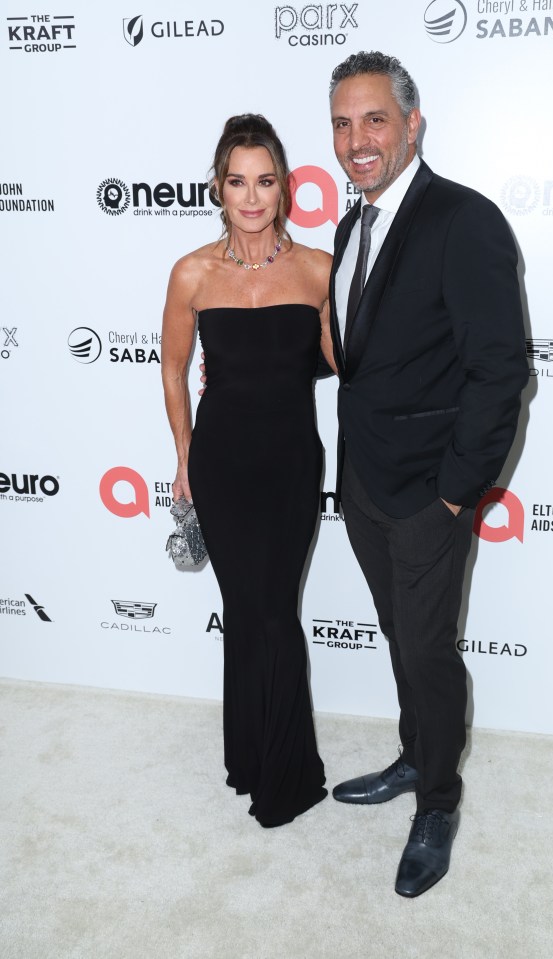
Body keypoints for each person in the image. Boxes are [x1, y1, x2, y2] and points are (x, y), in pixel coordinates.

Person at [326, 52, 529, 897]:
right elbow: (364, 354)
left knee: (426, 648)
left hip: (428, 491)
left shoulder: (463, 219)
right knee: (398, 635)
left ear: (412, 124)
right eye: (341, 124)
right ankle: (417, 756)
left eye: (374, 119)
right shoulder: (352, 225)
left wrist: (455, 489)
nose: (356, 140)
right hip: (366, 481)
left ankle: (438, 801)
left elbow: (501, 369)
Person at [161, 114, 335, 828]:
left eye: (265, 180)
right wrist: (182, 455)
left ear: (285, 187)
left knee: (275, 613)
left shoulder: (319, 269)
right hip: (223, 464)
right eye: (238, 180)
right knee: (246, 611)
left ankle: (281, 769)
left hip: (293, 461)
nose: (252, 195)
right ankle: (253, 759)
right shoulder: (193, 272)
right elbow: (172, 366)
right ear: (218, 187)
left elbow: (341, 360)